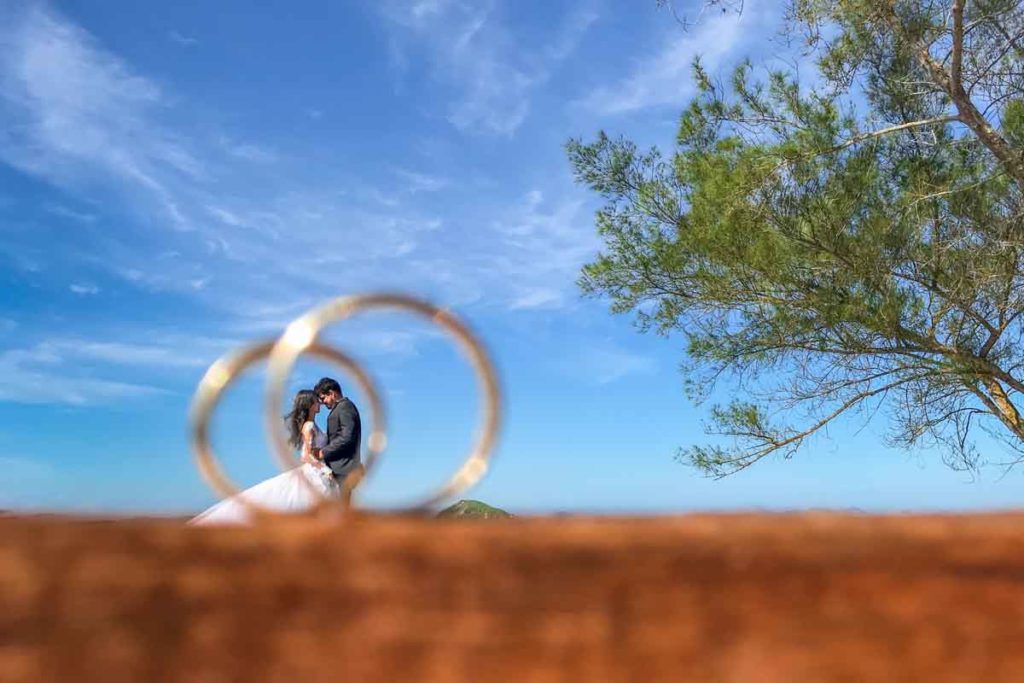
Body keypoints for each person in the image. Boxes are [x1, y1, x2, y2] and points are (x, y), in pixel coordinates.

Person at [189, 389, 339, 525]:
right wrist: (324, 469)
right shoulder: (309, 426)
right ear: (310, 405)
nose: (319, 402)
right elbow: (305, 456)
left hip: (317, 471)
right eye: (315, 400)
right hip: (315, 472)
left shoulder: (313, 424)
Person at [313, 376, 362, 484]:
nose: (322, 403)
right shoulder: (340, 408)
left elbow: (347, 436)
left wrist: (323, 452)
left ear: (332, 393)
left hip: (343, 469)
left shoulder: (345, 407)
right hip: (339, 468)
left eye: (323, 398)